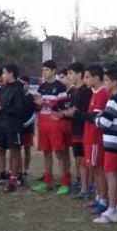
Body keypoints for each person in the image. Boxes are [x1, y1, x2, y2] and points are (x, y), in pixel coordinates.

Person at [92, 68, 117, 224]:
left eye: (107, 80)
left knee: (111, 175)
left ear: (114, 82)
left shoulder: (114, 99)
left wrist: (96, 117)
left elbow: (104, 123)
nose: (105, 83)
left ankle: (112, 209)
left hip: (113, 143)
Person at [32, 60, 72, 195]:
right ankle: (47, 181)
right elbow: (38, 105)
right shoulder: (41, 87)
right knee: (46, 152)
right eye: (43, 70)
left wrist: (46, 103)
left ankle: (65, 182)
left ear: (54, 71)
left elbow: (62, 108)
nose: (44, 72)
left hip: (55, 124)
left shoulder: (60, 87)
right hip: (43, 123)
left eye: (47, 70)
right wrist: (37, 104)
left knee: (59, 153)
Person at [0, 64, 26, 193]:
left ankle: (13, 181)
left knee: (14, 152)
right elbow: (2, 107)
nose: (2, 76)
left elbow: (19, 109)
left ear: (11, 74)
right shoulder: (3, 89)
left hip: (14, 126)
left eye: (4, 73)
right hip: (2, 126)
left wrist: (2, 109)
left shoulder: (18, 90)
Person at [62, 62, 93, 199]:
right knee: (79, 159)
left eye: (71, 73)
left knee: (87, 160)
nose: (69, 76)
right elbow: (72, 112)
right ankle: (83, 188)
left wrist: (73, 113)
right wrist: (63, 115)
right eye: (68, 73)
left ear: (80, 74)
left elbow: (87, 113)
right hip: (75, 130)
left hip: (85, 130)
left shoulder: (86, 91)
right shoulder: (73, 92)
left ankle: (91, 186)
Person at [83, 65, 110, 214]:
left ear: (96, 78)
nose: (85, 80)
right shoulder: (94, 93)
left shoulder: (102, 93)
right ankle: (99, 197)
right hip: (90, 136)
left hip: (96, 138)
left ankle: (104, 200)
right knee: (95, 168)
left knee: (99, 169)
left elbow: (96, 117)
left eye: (87, 77)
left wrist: (77, 114)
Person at [20, 75, 37, 179]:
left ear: (28, 85)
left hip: (28, 128)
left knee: (27, 150)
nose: (22, 86)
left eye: (24, 84)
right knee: (16, 149)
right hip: (17, 127)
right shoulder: (17, 97)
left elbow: (35, 114)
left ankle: (26, 170)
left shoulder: (31, 98)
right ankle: (17, 169)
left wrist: (27, 123)